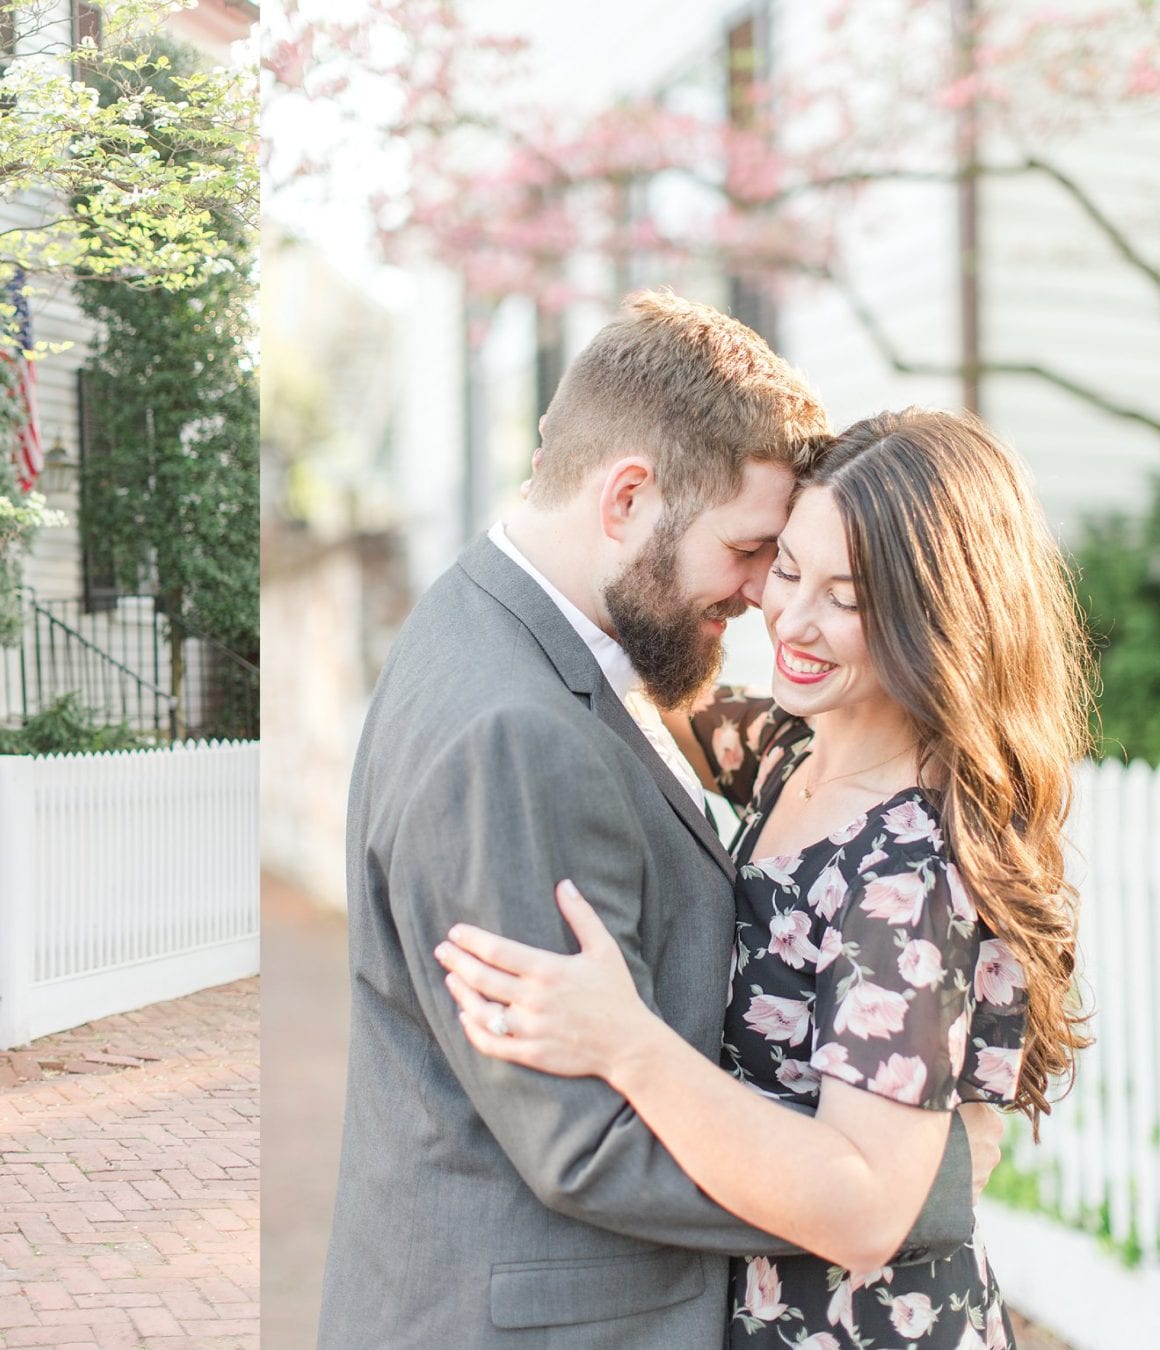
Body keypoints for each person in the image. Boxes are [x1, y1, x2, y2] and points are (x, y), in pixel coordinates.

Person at [319, 294, 1001, 1349]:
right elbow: (585, 1139)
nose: (762, 603)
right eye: (758, 554)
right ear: (629, 496)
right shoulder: (517, 726)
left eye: (824, 579)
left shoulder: (516, 632)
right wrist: (910, 1188)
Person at [438, 409, 1091, 1349]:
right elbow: (637, 685)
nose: (792, 617)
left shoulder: (904, 873)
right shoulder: (792, 750)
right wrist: (574, 496)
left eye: (849, 595)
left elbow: (866, 1207)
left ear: (939, 612)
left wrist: (627, 1045)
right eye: (788, 568)